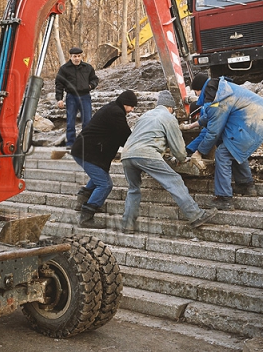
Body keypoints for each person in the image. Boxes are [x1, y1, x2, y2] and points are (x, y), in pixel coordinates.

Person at [120, 90, 217, 233]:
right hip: (146, 154)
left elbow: (145, 137)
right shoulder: (168, 117)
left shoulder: (145, 115)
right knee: (174, 181)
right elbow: (178, 149)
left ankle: (127, 225)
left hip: (127, 154)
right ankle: (196, 215)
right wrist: (182, 159)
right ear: (170, 107)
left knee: (134, 189)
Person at [195, 77, 263, 210]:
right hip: (259, 119)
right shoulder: (221, 89)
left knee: (222, 154)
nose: (196, 96)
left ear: (201, 89)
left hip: (251, 122)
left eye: (196, 92)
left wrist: (199, 152)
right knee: (233, 149)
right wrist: (194, 125)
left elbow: (213, 132)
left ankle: (224, 198)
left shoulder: (218, 97)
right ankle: (246, 185)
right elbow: (213, 114)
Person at [71, 90, 138, 228]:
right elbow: (125, 135)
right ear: (125, 103)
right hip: (88, 153)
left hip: (85, 150)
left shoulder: (112, 108)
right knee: (105, 184)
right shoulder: (116, 113)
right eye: (131, 106)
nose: (132, 110)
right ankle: (86, 215)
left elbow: (119, 135)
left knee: (99, 179)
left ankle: (82, 201)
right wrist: (138, 146)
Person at [55, 47, 99, 148]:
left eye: (79, 56)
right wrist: (59, 99)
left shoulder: (87, 68)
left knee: (87, 121)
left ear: (81, 56)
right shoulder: (64, 69)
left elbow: (95, 79)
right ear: (70, 57)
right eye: (75, 56)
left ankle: (86, 143)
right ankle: (70, 143)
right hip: (71, 97)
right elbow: (59, 84)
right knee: (70, 121)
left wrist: (90, 86)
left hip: (85, 97)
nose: (77, 58)